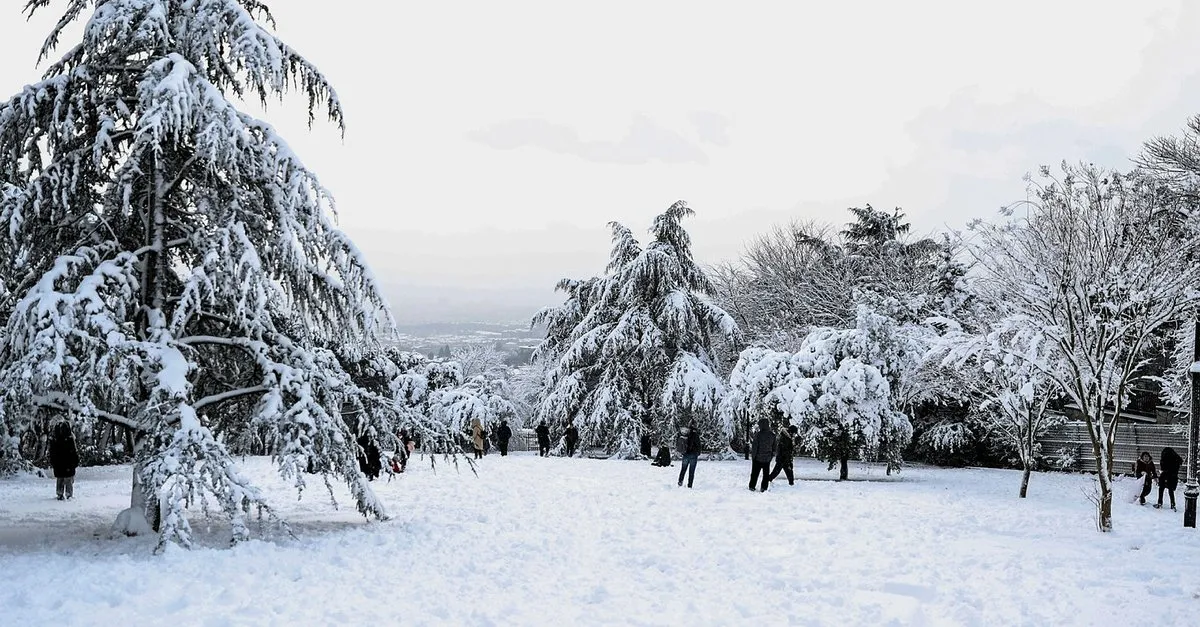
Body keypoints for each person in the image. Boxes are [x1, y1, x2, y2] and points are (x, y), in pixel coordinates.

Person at [49, 422, 79, 501]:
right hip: (68, 462)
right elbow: (74, 451)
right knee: (68, 479)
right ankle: (68, 495)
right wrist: (75, 461)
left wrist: (53, 461)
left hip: (59, 463)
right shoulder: (69, 438)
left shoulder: (55, 439)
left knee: (60, 479)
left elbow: (52, 452)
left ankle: (60, 494)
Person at [749, 418, 776, 492]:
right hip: (767, 459)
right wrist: (771, 456)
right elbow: (774, 447)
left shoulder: (758, 435)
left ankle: (752, 486)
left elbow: (755, 447)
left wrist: (753, 457)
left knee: (755, 474)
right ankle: (764, 488)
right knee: (766, 475)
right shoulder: (772, 435)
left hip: (757, 458)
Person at [675, 422, 701, 488]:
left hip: (686, 454)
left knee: (683, 469)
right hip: (693, 455)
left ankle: (680, 482)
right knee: (691, 472)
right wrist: (698, 453)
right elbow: (698, 445)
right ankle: (689, 485)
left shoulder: (686, 433)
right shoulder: (695, 435)